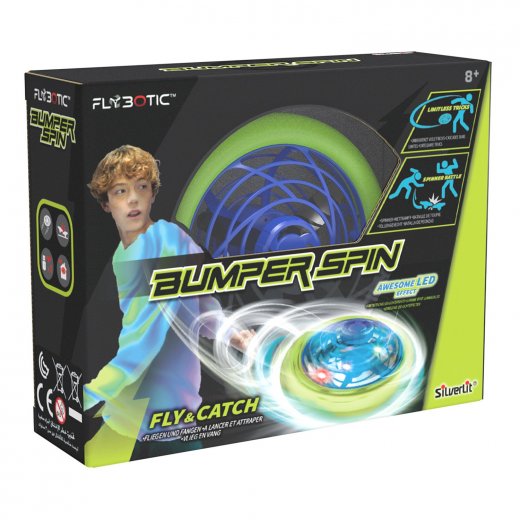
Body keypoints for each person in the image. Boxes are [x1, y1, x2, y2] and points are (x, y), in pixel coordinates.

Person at [84, 145, 254, 463]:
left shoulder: (168, 238)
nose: (133, 199)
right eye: (120, 191)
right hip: (132, 412)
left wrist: (88, 394)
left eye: (141, 187)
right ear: (106, 203)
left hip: (168, 412)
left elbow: (193, 308)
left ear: (152, 194)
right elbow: (150, 330)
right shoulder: (122, 257)